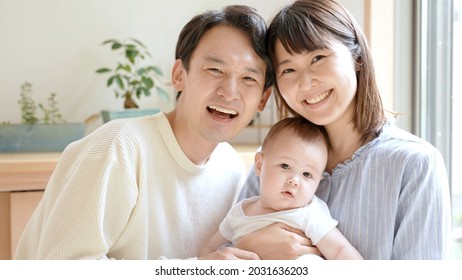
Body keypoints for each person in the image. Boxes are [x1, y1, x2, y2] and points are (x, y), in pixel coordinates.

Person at [14, 5, 273, 260]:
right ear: (179, 75)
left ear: (263, 98)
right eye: (215, 70)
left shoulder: (233, 170)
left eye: (248, 79)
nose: (229, 92)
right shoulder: (118, 147)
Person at [236, 0, 453, 259]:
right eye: (289, 69)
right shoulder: (272, 157)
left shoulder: (414, 164)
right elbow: (226, 250)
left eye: (318, 58)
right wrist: (247, 246)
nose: (306, 82)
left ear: (357, 56)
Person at [200, 117, 363, 260]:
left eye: (307, 174)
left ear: (318, 183)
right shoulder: (240, 212)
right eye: (285, 166)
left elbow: (340, 251)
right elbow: (209, 250)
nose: (294, 181)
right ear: (259, 165)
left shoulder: (309, 213)